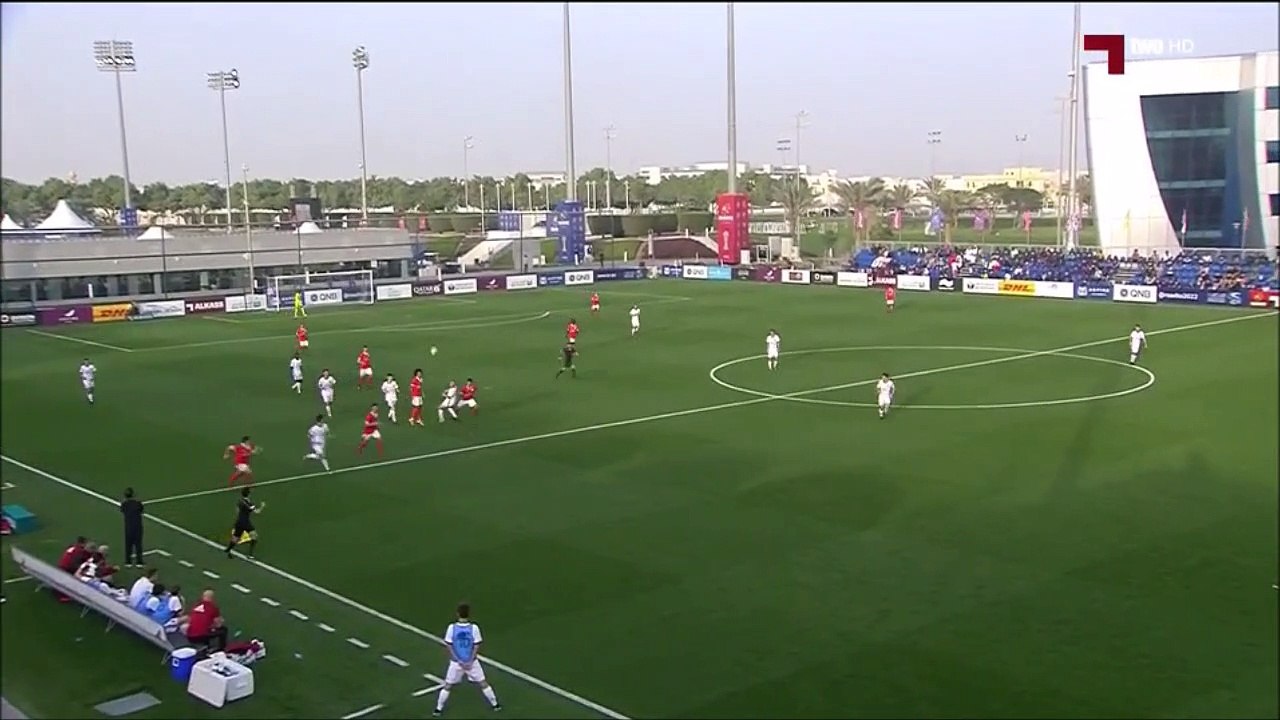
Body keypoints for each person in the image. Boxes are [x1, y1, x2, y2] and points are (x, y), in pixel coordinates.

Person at [433, 603, 500, 716]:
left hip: (456, 663)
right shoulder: (474, 628)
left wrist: (457, 659)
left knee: (448, 685)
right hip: (472, 662)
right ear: (469, 614)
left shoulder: (452, 628)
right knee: (483, 683)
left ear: (458, 614)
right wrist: (470, 659)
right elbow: (476, 645)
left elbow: (449, 645)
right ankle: (495, 704)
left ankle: (438, 709)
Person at [224, 487, 261, 559]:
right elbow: (257, 512)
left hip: (239, 521)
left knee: (236, 537)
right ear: (249, 494)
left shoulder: (240, 501)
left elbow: (237, 510)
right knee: (254, 536)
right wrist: (262, 506)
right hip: (245, 522)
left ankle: (228, 549)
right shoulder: (250, 503)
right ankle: (250, 554)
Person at [120, 488, 144, 566]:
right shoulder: (138, 503)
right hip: (137, 526)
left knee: (128, 545)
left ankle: (128, 561)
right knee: (138, 545)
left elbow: (122, 510)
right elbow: (141, 510)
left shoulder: (124, 504)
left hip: (128, 527)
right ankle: (139, 562)